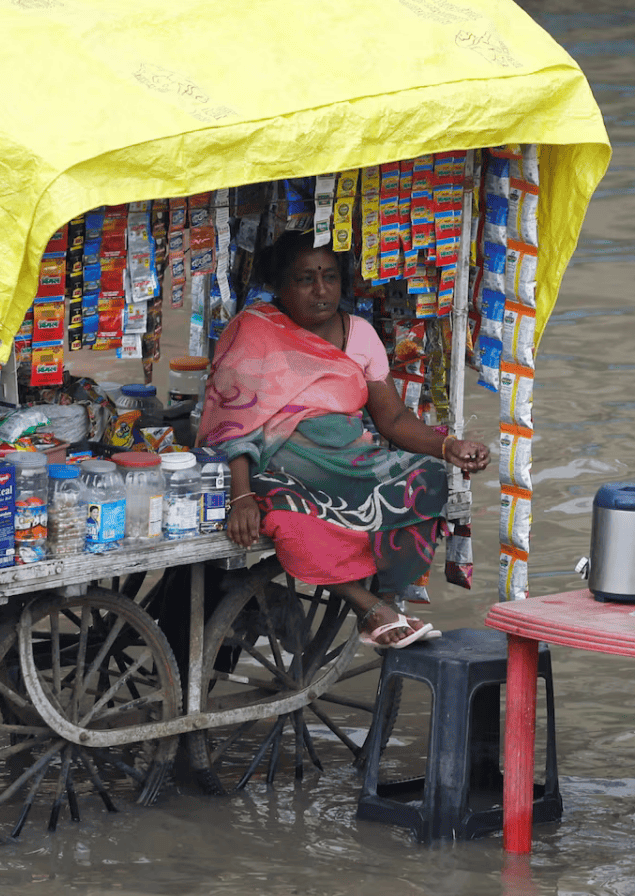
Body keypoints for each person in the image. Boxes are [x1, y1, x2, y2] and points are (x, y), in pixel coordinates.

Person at [198, 232, 489, 648]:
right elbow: (232, 426)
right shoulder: (253, 331)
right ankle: (367, 606)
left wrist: (449, 447)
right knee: (287, 515)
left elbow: (392, 418)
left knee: (426, 478)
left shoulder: (361, 335)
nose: (321, 291)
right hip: (277, 467)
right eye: (305, 280)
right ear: (281, 286)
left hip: (350, 464)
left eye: (330, 277)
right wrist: (241, 495)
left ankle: (385, 599)